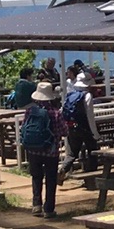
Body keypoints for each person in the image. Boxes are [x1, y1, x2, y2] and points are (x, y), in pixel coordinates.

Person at [18, 80, 68, 217]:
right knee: (51, 179)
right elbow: (63, 131)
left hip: (33, 150)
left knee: (36, 177)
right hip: (51, 151)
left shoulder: (30, 111)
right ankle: (49, 209)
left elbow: (23, 128)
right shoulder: (55, 113)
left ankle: (36, 205)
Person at [59, 76, 101, 183]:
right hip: (84, 128)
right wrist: (95, 133)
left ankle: (63, 169)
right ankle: (90, 179)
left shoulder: (71, 94)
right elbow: (90, 116)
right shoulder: (87, 96)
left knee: (72, 153)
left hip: (71, 127)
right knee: (92, 151)